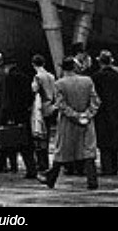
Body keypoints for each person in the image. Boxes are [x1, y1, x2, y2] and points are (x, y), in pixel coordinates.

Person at [37, 57, 100, 190]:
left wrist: (75, 115)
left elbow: (61, 104)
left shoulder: (59, 84)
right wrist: (87, 115)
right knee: (88, 151)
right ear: (75, 67)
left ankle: (51, 178)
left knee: (62, 151)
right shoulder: (87, 81)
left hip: (68, 123)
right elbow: (95, 101)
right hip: (86, 122)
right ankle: (92, 180)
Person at [92, 50, 118, 175]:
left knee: (104, 143)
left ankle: (106, 167)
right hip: (117, 112)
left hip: (101, 113)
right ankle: (114, 166)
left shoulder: (96, 77)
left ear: (100, 62)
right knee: (116, 140)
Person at [29, 55, 56, 172]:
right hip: (50, 107)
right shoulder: (51, 76)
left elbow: (34, 90)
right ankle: (46, 162)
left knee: (39, 136)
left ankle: (41, 162)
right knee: (47, 135)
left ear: (33, 64)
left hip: (40, 108)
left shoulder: (38, 77)